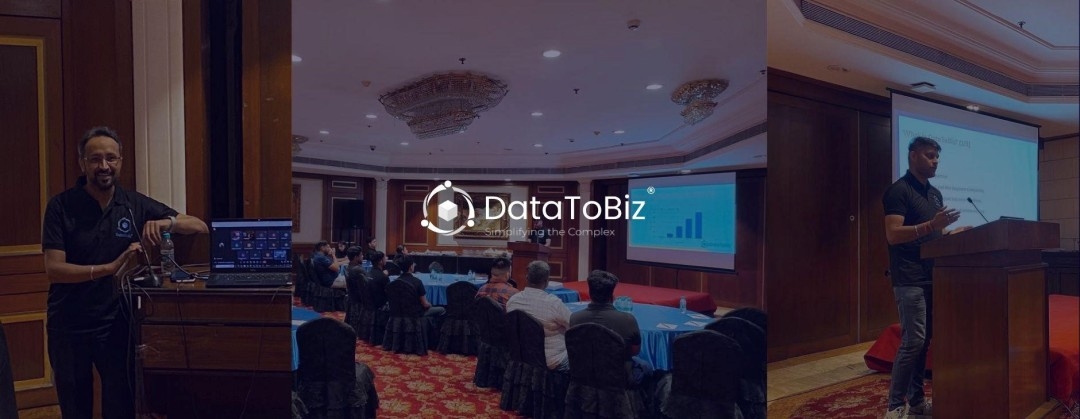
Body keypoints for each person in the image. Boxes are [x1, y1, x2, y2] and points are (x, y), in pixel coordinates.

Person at [41, 126, 208, 419]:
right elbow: (54, 269)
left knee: (121, 406)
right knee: (75, 408)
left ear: (120, 161)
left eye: (110, 158)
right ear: (82, 164)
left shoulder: (133, 204)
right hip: (68, 324)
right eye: (95, 159)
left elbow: (199, 226)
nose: (104, 166)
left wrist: (166, 223)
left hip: (116, 323)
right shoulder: (61, 206)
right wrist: (109, 268)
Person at [882, 137, 970, 419]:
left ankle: (918, 402)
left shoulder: (934, 194)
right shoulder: (899, 191)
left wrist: (951, 234)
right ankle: (895, 407)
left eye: (937, 157)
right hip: (909, 277)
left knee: (924, 341)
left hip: (933, 276)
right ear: (913, 156)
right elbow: (893, 234)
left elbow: (933, 237)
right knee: (913, 341)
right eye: (930, 156)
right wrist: (932, 225)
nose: (935, 161)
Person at [569, 270, 654, 385]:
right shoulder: (628, 320)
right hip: (618, 377)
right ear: (612, 296)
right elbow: (634, 351)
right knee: (647, 367)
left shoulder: (575, 318)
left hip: (585, 375)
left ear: (590, 293)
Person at [506, 260, 572, 371]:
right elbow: (572, 325)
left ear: (527, 277)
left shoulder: (513, 301)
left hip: (521, 355)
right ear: (546, 281)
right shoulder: (553, 304)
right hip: (551, 360)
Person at [394, 256, 445, 339]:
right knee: (442, 310)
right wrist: (430, 304)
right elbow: (425, 304)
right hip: (416, 313)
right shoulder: (417, 282)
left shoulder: (395, 282)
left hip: (398, 312)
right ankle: (435, 339)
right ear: (411, 267)